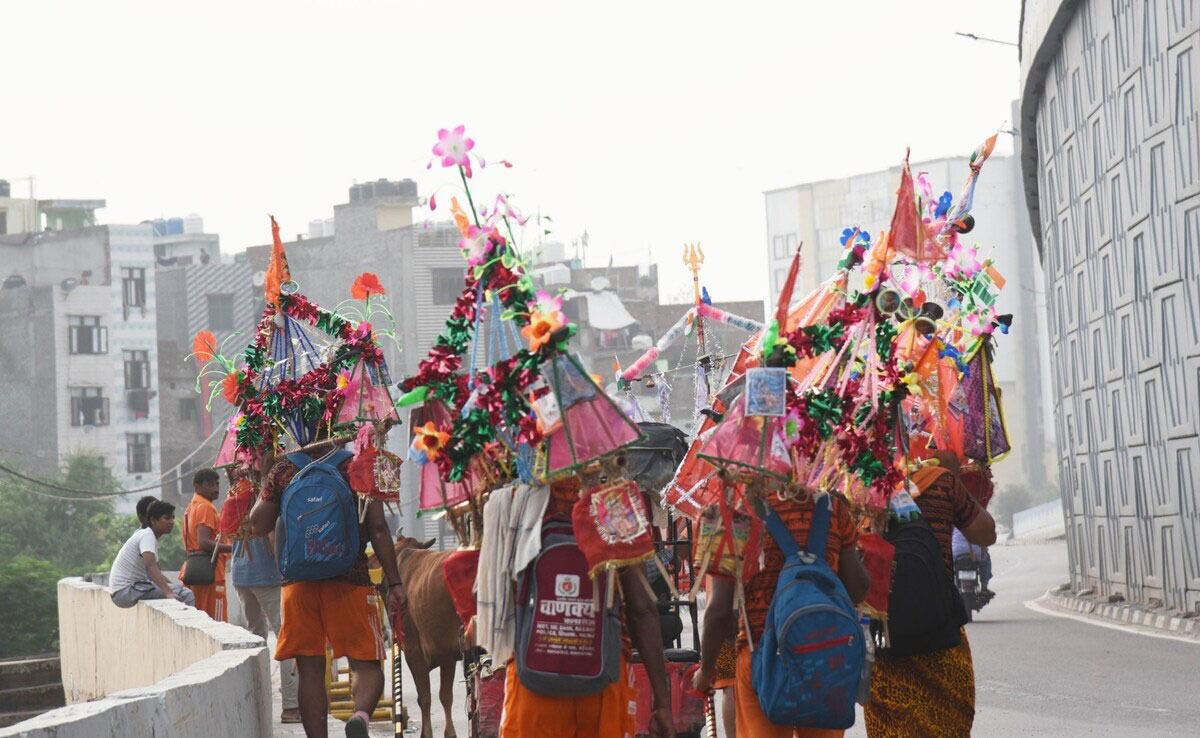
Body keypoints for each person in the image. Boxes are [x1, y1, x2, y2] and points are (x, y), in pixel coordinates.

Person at [500, 477, 676, 738]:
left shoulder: (518, 501)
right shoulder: (615, 502)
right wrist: (661, 703)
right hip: (603, 680)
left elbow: (492, 600)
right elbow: (641, 608)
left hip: (533, 681)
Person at [250, 440, 403, 738]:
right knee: (366, 664)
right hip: (351, 580)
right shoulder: (357, 465)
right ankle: (359, 716)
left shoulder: (285, 468)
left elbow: (257, 523)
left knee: (309, 670)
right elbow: (379, 528)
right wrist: (394, 582)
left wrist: (267, 479)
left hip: (298, 585)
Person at [692, 491, 870, 738]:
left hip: (760, 658)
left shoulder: (734, 512)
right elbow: (858, 589)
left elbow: (719, 610)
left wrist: (706, 669)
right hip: (825, 653)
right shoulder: (832, 506)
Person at [864, 451, 996, 738]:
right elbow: (986, 534)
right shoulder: (940, 480)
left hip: (885, 644)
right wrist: (956, 479)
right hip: (942, 638)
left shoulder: (853, 488)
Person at [232, 532, 300, 724]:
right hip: (267, 576)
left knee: (256, 637)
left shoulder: (235, 501)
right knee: (286, 638)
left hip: (240, 574)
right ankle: (291, 706)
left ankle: (256, 700)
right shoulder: (266, 502)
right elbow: (272, 540)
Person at [110, 500, 196, 608]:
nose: (172, 521)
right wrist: (169, 592)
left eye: (173, 517)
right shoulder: (147, 535)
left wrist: (172, 587)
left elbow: (157, 572)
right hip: (126, 591)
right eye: (167, 518)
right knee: (186, 594)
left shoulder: (150, 538)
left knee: (178, 590)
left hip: (125, 591)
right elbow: (150, 566)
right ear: (153, 520)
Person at [181, 468, 232, 621]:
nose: (216, 489)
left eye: (217, 484)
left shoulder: (192, 507)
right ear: (197, 486)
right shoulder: (205, 507)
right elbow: (203, 543)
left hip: (195, 571)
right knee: (217, 622)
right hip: (210, 573)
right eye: (210, 485)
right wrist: (234, 548)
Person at [952, 527, 993, 593]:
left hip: (956, 552)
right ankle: (984, 587)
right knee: (986, 563)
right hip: (976, 552)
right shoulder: (979, 522)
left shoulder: (955, 523)